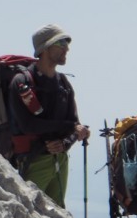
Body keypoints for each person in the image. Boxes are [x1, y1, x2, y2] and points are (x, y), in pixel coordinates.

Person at [8, 24, 90, 207]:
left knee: (57, 213)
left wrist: (64, 143)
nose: (67, 48)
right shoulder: (21, 82)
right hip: (33, 159)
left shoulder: (63, 83)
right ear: (45, 48)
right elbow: (29, 125)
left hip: (60, 159)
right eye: (61, 42)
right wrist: (69, 128)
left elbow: (74, 124)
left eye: (67, 43)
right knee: (30, 212)